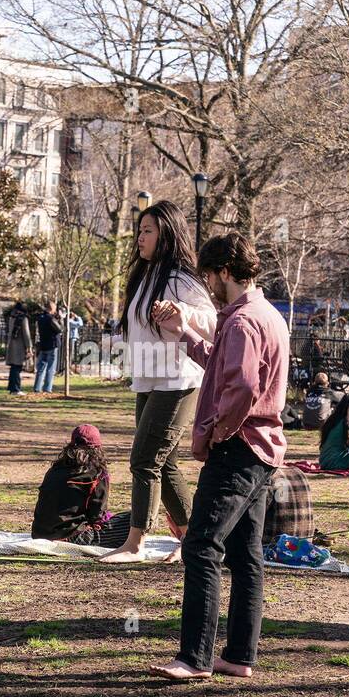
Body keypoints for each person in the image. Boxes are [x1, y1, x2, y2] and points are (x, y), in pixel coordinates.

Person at [145, 232, 289, 680]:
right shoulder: (267, 316)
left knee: (202, 546)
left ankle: (194, 656)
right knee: (246, 555)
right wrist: (184, 334)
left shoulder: (244, 322)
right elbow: (225, 366)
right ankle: (239, 655)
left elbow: (243, 387)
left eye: (209, 275)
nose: (207, 284)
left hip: (239, 449)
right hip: (264, 452)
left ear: (225, 271)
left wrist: (218, 430)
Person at [100, 201, 217, 564]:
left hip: (179, 380)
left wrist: (184, 313)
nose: (140, 237)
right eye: (139, 230)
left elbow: (214, 321)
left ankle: (136, 543)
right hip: (149, 380)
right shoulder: (146, 276)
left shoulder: (182, 278)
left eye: (147, 230)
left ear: (166, 233)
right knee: (163, 465)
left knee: (144, 460)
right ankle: (192, 538)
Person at [30, 424, 131, 548]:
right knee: (133, 518)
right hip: (71, 536)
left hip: (40, 533)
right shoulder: (98, 474)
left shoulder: (55, 469)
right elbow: (97, 516)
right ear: (98, 447)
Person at [33, 301, 62, 394]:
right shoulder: (50, 319)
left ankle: (37, 388)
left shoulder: (40, 318)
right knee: (50, 368)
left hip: (43, 345)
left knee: (41, 368)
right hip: (52, 345)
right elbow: (60, 329)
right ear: (52, 309)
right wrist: (60, 319)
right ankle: (47, 388)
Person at [3, 301, 32, 395]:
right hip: (19, 346)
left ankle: (12, 388)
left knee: (13, 367)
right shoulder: (23, 319)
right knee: (17, 367)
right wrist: (29, 347)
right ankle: (16, 389)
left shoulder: (11, 317)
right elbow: (26, 334)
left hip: (12, 345)